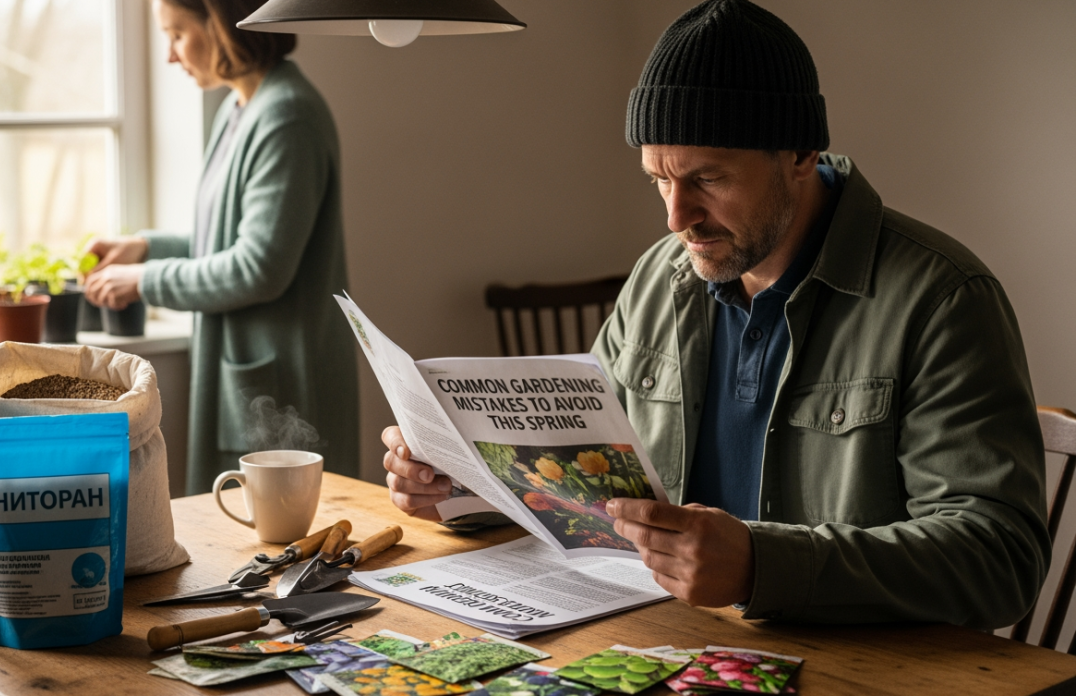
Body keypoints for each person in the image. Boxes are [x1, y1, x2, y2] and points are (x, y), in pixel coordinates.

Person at [379, 0, 1049, 630]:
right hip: (664, 639)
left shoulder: (942, 299)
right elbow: (588, 492)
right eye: (660, 180)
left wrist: (762, 566)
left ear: (800, 154)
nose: (677, 218)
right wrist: (460, 490)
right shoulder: (658, 279)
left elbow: (1000, 560)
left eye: (709, 179)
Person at [84, 0, 358, 494]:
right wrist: (145, 248)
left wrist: (144, 281)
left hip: (287, 384)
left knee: (290, 549)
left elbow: (258, 267)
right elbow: (230, 237)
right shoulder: (240, 108)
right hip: (258, 376)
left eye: (178, 34)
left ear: (223, 25)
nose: (170, 56)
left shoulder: (286, 115)